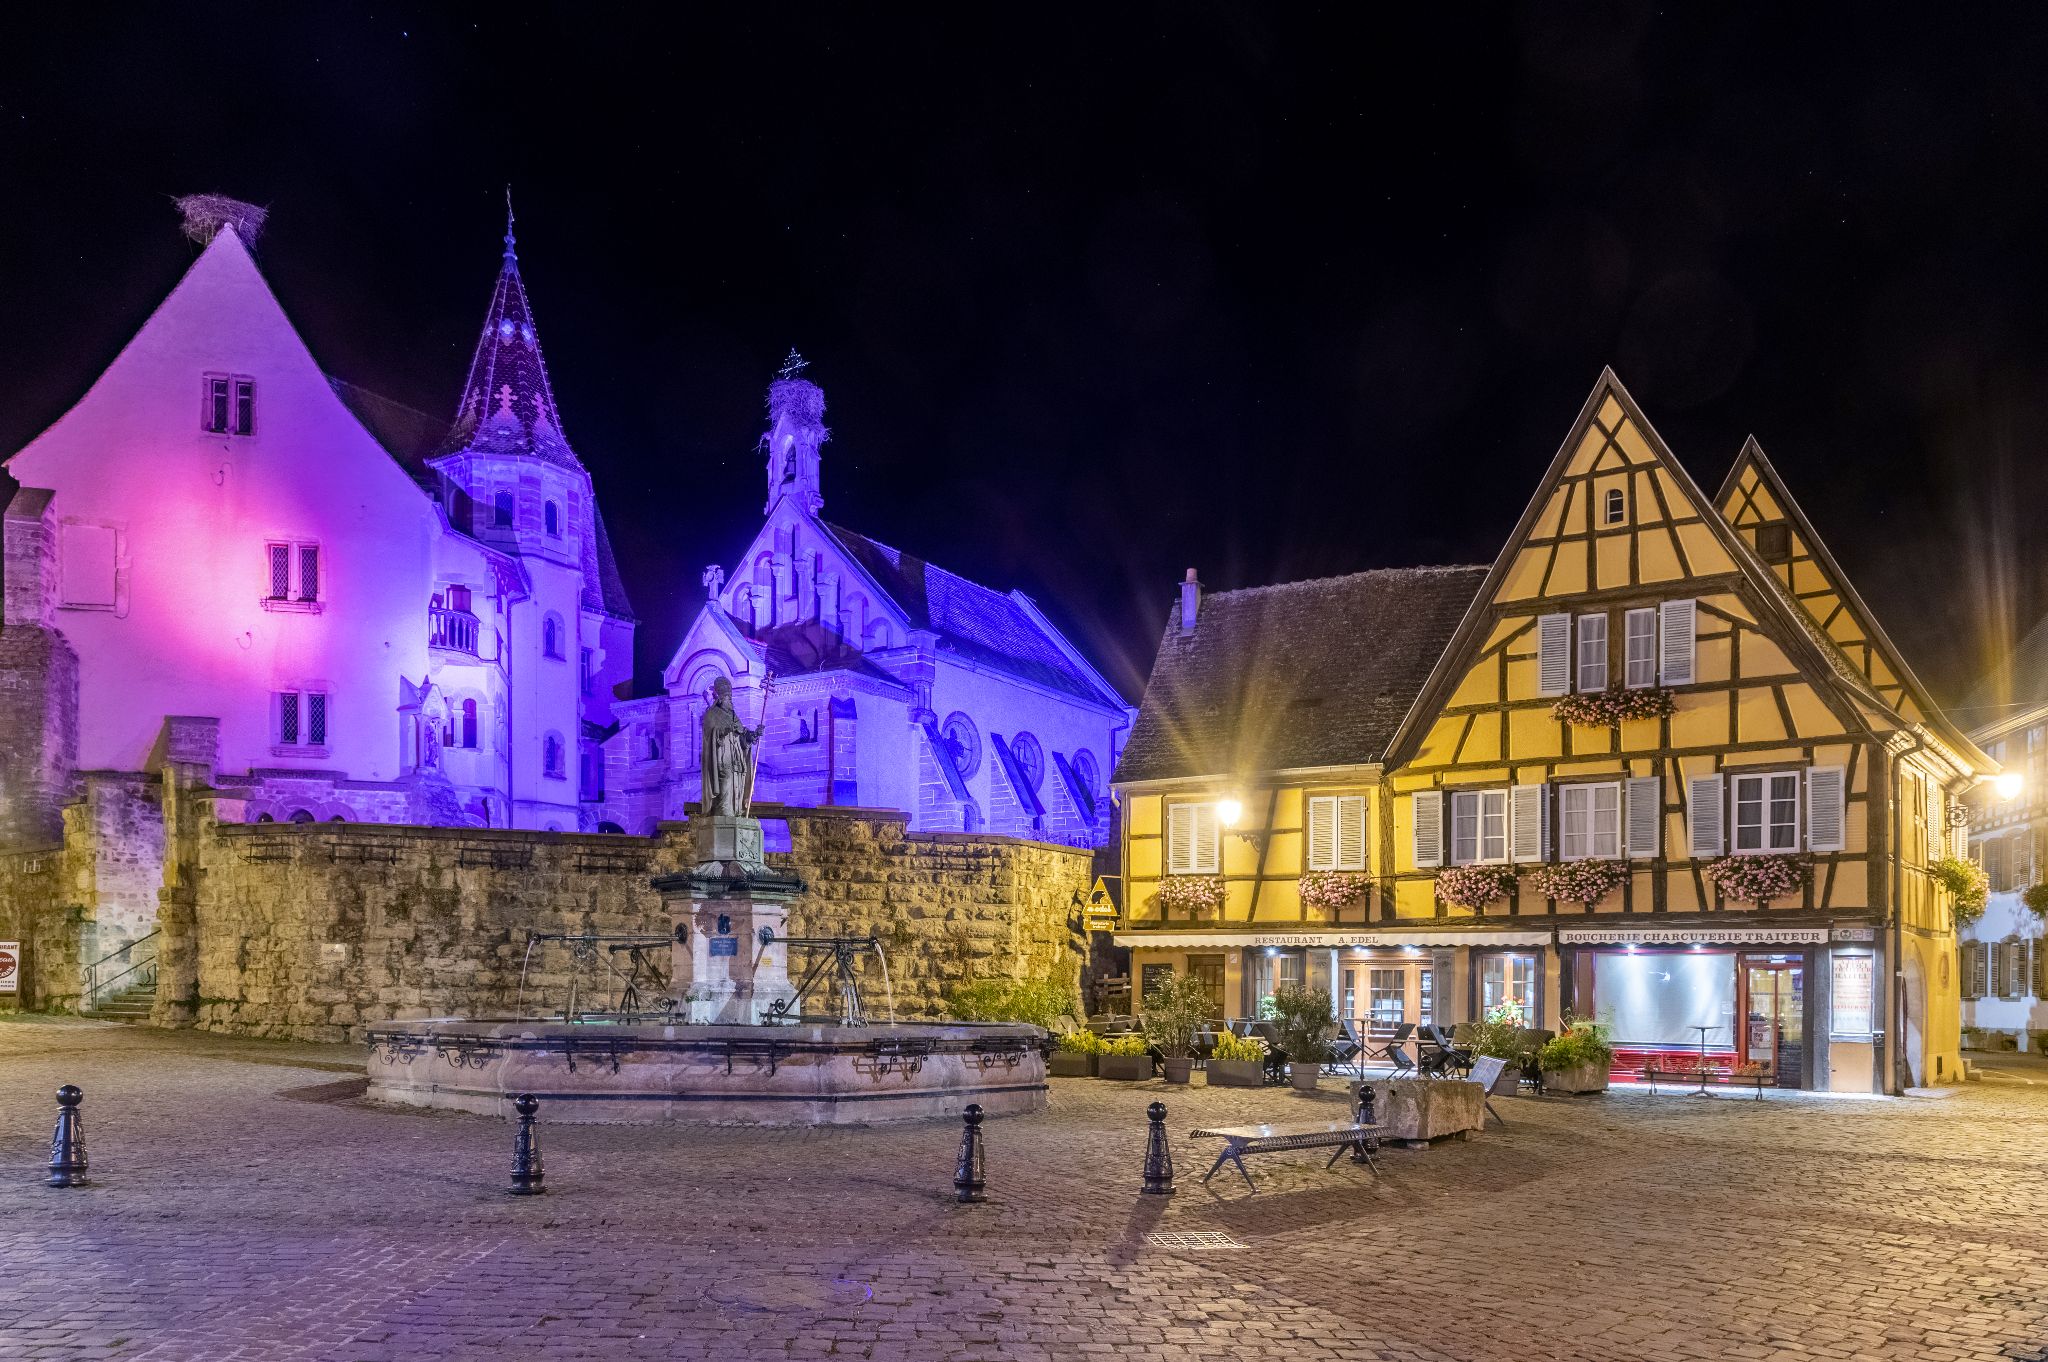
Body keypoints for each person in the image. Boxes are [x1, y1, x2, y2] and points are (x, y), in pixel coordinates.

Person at [699, 677, 763, 816]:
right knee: (726, 783)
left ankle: (736, 812)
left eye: (731, 698)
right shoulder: (712, 714)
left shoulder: (734, 716)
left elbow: (742, 735)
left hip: (737, 759)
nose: (730, 701)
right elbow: (710, 735)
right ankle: (724, 813)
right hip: (722, 759)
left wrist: (752, 735)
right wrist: (724, 730)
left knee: (738, 786)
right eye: (727, 698)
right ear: (720, 699)